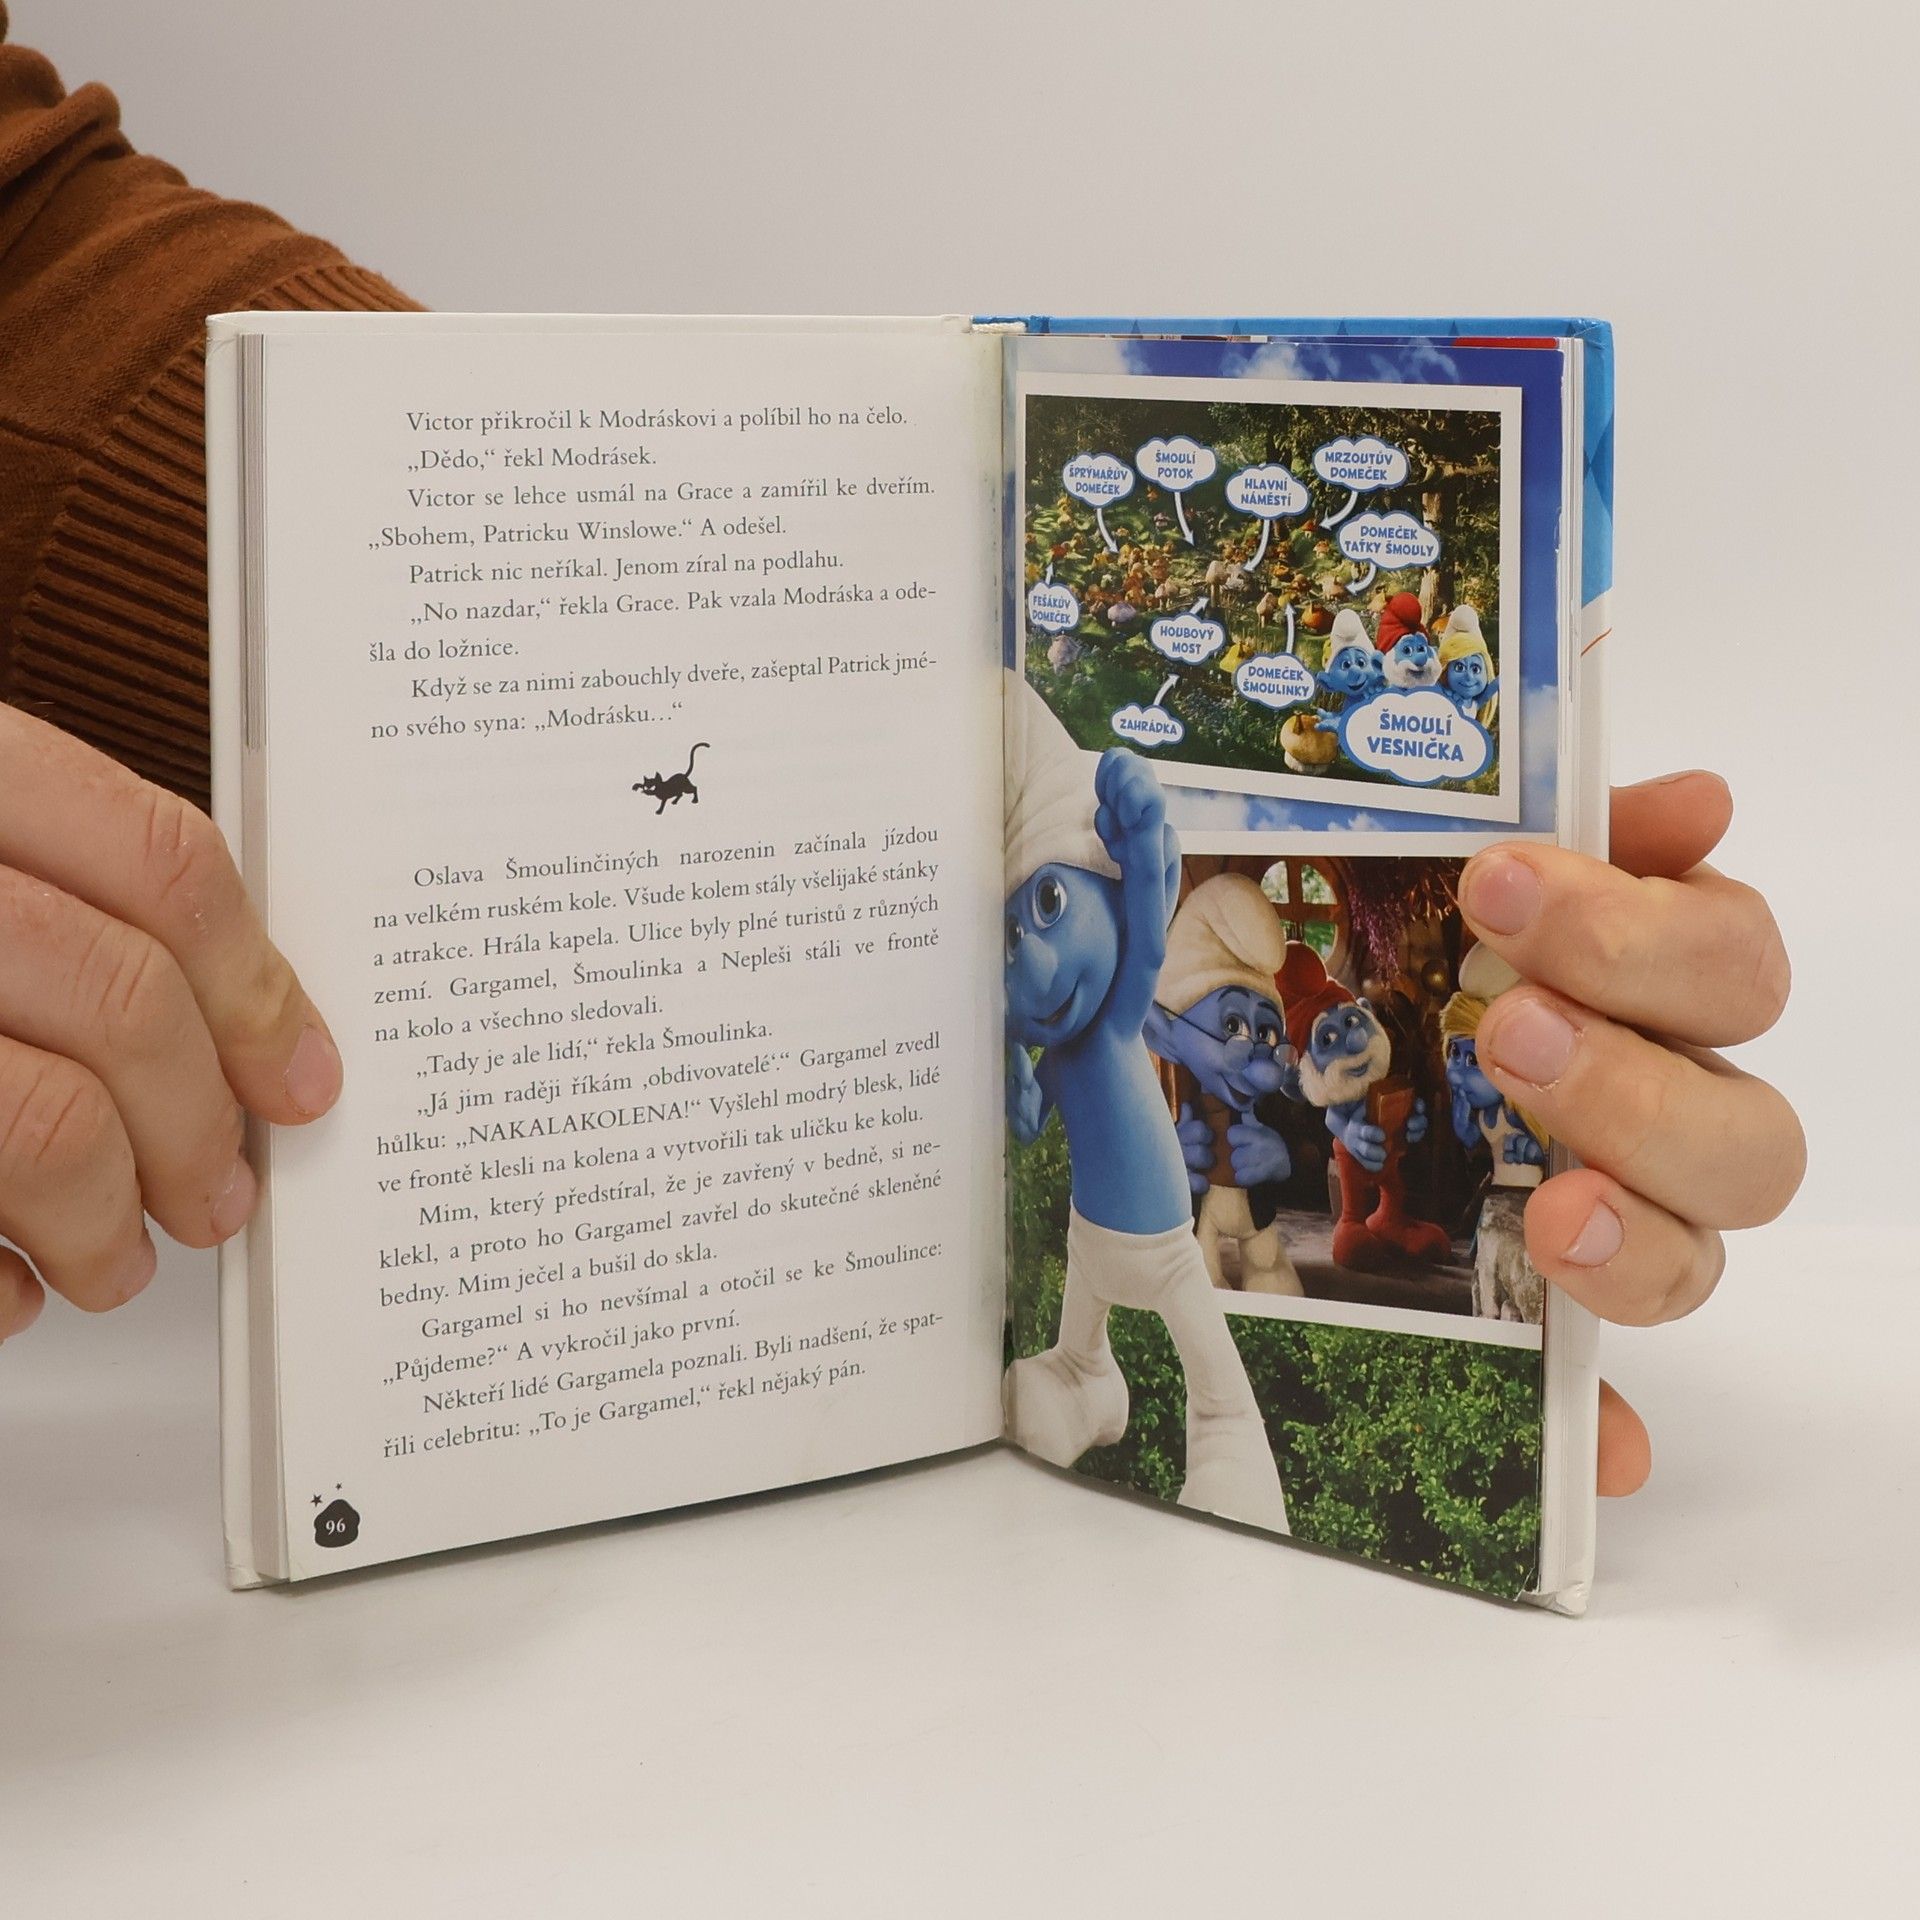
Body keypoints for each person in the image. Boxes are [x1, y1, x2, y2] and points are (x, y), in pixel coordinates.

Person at [0, 17, 1804, 1501]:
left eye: (1037, 909)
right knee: (1102, 1319)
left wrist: (453, 615)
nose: (1023, 949)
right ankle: (1104, 1389)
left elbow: (30, 237)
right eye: (1009, 922)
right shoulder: (1074, 1009)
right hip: (1029, 1231)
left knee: (1192, 1326)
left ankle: (1222, 1432)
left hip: (1135, 1202)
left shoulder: (1122, 956)